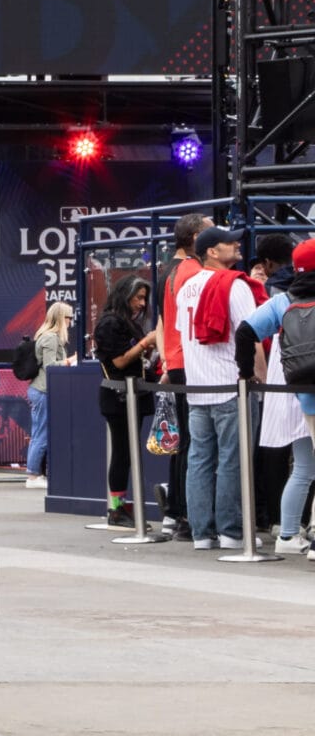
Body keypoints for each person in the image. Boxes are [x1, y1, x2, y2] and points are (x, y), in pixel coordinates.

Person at [175, 225, 258, 550]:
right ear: (212, 251)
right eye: (230, 242)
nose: (237, 245)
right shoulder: (235, 286)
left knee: (200, 461)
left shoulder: (186, 288)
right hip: (229, 385)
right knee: (231, 461)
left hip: (198, 388)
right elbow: (251, 335)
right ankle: (231, 532)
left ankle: (201, 534)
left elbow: (183, 333)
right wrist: (258, 375)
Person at [241, 237, 315, 554]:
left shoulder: (283, 300)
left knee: (304, 468)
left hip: (298, 394)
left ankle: (287, 536)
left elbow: (245, 331)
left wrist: (245, 372)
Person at [157, 213, 213, 538]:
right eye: (209, 233)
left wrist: (167, 362)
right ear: (195, 239)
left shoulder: (172, 271)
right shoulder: (191, 271)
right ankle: (185, 514)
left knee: (186, 442)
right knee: (193, 444)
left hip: (179, 363)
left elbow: (164, 323)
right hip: (190, 364)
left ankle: (178, 512)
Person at [93, 275, 161, 527]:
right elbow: (119, 361)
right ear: (125, 295)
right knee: (122, 452)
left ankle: (120, 507)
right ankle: (116, 508)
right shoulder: (110, 323)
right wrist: (146, 342)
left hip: (133, 394)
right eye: (138, 297)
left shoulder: (126, 322)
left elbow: (134, 359)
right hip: (119, 397)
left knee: (127, 453)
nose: (142, 303)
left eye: (145, 298)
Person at [24, 299, 75, 491]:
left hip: (42, 390)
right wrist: (70, 361)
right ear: (61, 318)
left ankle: (35, 473)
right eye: (69, 317)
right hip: (43, 391)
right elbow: (51, 366)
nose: (71, 321)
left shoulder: (48, 336)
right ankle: (33, 474)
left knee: (40, 432)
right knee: (41, 434)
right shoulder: (51, 338)